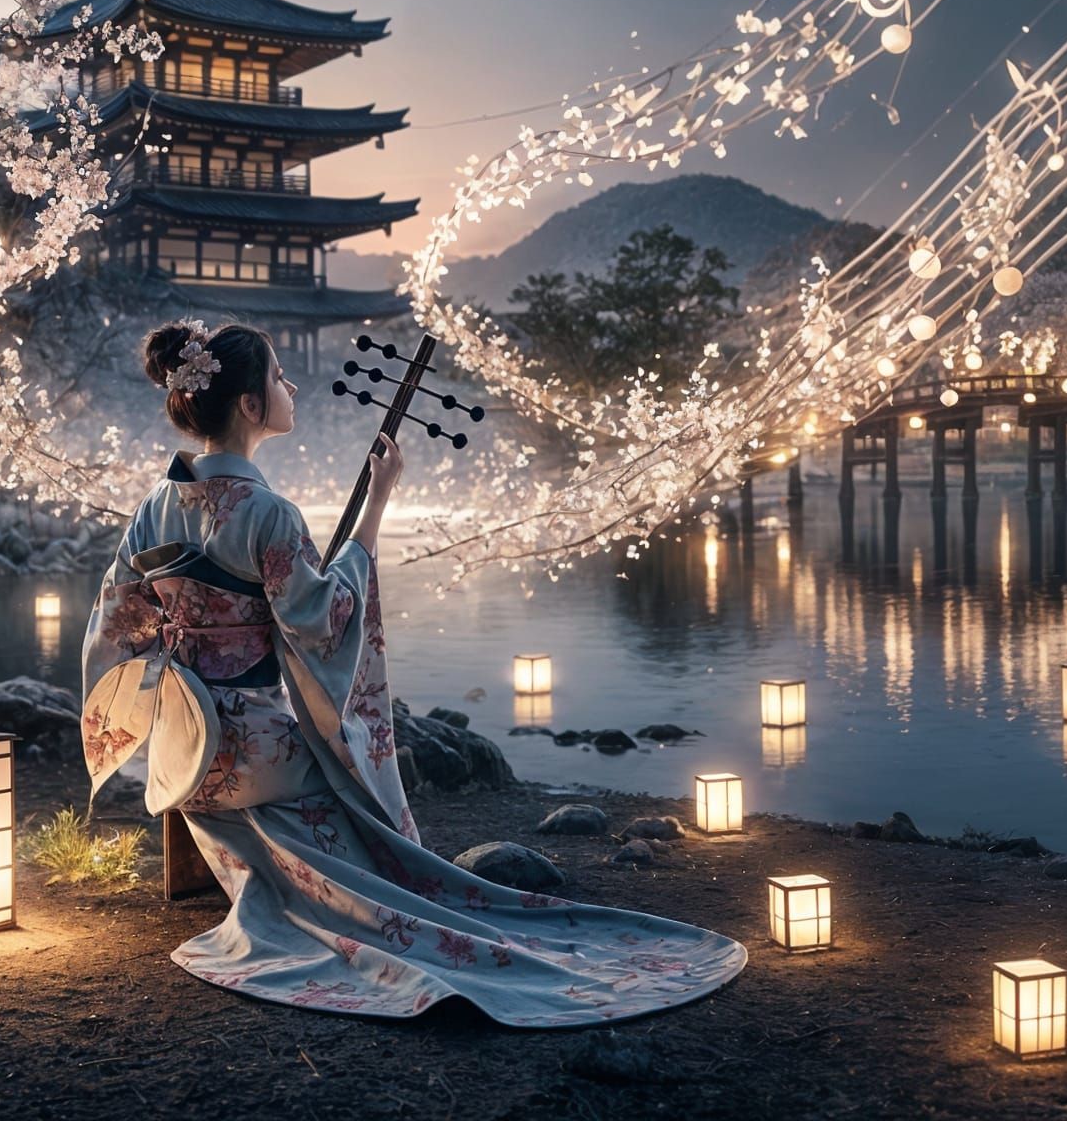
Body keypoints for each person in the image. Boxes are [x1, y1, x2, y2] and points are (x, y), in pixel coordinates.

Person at [80, 319, 746, 1022]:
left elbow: (119, 626)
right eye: (278, 377)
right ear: (249, 406)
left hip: (186, 753)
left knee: (308, 778)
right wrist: (377, 504)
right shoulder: (269, 514)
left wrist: (184, 670)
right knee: (355, 779)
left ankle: (256, 859)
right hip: (258, 756)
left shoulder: (153, 509)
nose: (292, 386)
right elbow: (326, 622)